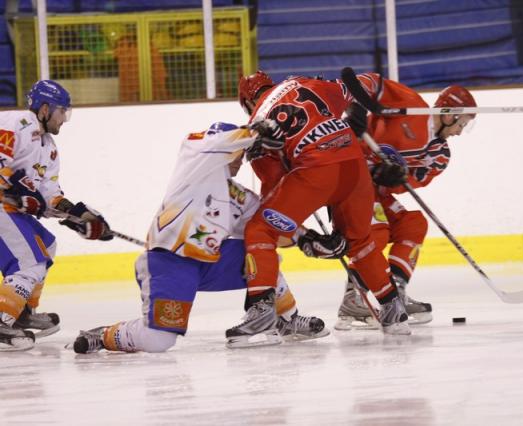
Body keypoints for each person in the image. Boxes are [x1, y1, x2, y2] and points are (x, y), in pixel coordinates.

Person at [73, 122, 331, 353]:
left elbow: (267, 221)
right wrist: (255, 131)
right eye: (238, 153)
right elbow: (206, 142)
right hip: (170, 264)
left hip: (210, 265)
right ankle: (103, 335)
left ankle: (287, 319)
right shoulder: (193, 167)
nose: (241, 161)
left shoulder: (238, 196)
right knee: (158, 341)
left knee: (261, 254)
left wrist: (307, 238)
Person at [229, 71, 412, 344]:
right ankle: (393, 311)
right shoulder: (306, 82)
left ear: (246, 102)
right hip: (355, 167)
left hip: (316, 170)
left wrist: (308, 241)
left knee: (259, 230)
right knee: (361, 241)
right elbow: (361, 82)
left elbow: (276, 207)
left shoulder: (256, 124)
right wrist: (361, 111)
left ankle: (261, 312)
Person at [335, 77, 477, 329]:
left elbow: (408, 183)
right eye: (462, 122)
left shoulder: (439, 154)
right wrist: (355, 106)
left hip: (375, 190)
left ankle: (395, 291)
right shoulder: (410, 104)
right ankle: (353, 297)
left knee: (413, 224)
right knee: (376, 230)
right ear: (447, 115)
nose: (460, 130)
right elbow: (368, 82)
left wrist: (393, 178)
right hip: (347, 178)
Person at [0, 80, 112, 351]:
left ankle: (21, 311)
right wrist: (18, 189)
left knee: (46, 246)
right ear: (45, 108)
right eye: (63, 112)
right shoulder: (16, 123)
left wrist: (79, 215)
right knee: (31, 260)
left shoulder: (49, 148)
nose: (64, 119)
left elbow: (48, 193)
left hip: (10, 209)